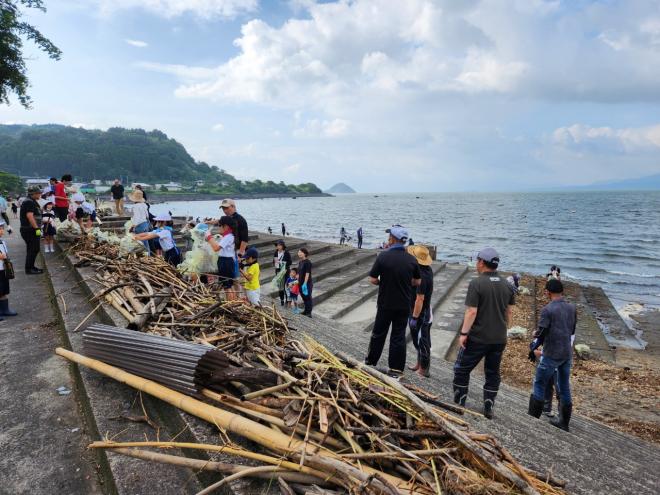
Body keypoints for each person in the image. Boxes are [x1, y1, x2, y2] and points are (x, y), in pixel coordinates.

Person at [452, 247, 515, 419]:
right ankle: (488, 406)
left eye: (477, 261)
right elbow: (509, 312)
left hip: (479, 337)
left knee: (462, 369)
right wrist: (504, 330)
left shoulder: (477, 283)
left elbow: (471, 311)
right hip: (499, 338)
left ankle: (459, 404)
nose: (476, 264)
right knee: (492, 372)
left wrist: (464, 333)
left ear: (481, 262)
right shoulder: (508, 285)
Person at [365, 225, 421, 378]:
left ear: (392, 239)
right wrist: (405, 282)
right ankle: (396, 369)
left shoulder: (383, 257)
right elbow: (417, 281)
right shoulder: (411, 259)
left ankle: (371, 361)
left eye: (389, 237)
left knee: (378, 333)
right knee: (398, 336)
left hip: (385, 303)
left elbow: (372, 279)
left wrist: (383, 282)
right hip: (403, 304)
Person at [527, 279, 577, 431]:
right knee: (564, 386)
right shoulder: (572, 308)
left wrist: (532, 348)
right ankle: (564, 423)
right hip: (566, 353)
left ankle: (532, 419)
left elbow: (541, 334)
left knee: (540, 383)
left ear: (547, 292)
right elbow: (572, 330)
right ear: (562, 291)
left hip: (551, 353)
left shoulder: (547, 310)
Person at [407, 245, 434, 378]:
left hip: (422, 313)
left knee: (423, 341)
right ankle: (419, 363)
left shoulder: (424, 275)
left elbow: (420, 299)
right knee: (417, 341)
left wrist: (415, 318)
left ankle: (424, 369)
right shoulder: (421, 270)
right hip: (415, 309)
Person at [205, 216, 237, 299]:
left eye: (220, 225)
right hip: (228, 261)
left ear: (226, 226)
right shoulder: (230, 236)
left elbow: (216, 248)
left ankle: (231, 304)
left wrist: (209, 237)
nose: (219, 227)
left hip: (225, 262)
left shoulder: (228, 237)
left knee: (227, 286)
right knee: (230, 285)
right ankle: (233, 303)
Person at [20, 185, 44, 275]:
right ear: (33, 193)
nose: (40, 194)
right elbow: (30, 216)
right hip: (30, 230)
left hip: (30, 229)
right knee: (33, 249)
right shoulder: (29, 202)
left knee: (33, 249)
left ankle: (31, 267)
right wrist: (36, 228)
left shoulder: (31, 201)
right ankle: (29, 269)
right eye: (39, 193)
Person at [0, 220, 18, 319]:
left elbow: (5, 254)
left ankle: (5, 309)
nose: (2, 231)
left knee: (4, 289)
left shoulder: (2, 242)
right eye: (0, 229)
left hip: (3, 269)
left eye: (2, 228)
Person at [128, 189, 151, 253]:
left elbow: (137, 218)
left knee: (140, 242)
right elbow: (147, 216)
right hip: (145, 224)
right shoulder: (144, 205)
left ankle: (144, 255)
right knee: (145, 241)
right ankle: (148, 255)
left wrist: (133, 227)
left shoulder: (135, 206)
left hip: (140, 226)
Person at [273, 240, 292, 306]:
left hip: (285, 272)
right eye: (277, 245)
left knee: (286, 287)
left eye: (279, 245)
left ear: (283, 246)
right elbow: (274, 262)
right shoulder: (276, 252)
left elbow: (290, 262)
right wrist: (276, 264)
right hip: (279, 272)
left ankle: (287, 301)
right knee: (280, 288)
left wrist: (283, 263)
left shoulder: (286, 253)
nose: (278, 247)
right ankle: (282, 300)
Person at [297, 247, 313, 317]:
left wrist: (305, 283)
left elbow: (307, 273)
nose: (299, 253)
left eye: (300, 252)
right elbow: (299, 272)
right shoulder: (300, 262)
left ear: (305, 253)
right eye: (298, 252)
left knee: (307, 297)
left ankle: (309, 312)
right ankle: (306, 310)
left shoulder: (308, 262)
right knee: (303, 297)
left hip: (307, 283)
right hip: (300, 283)